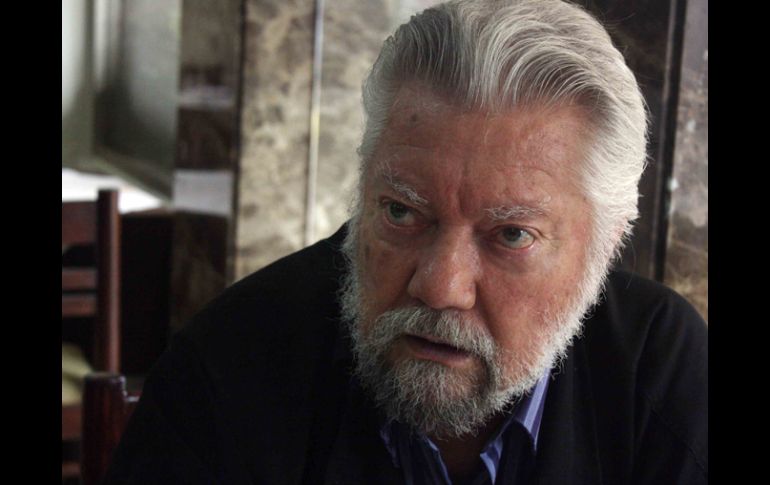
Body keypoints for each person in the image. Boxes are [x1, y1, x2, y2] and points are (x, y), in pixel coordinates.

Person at [105, 0, 707, 483]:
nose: (441, 287)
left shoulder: (662, 372)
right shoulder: (226, 370)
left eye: (511, 235)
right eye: (401, 212)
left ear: (606, 245)